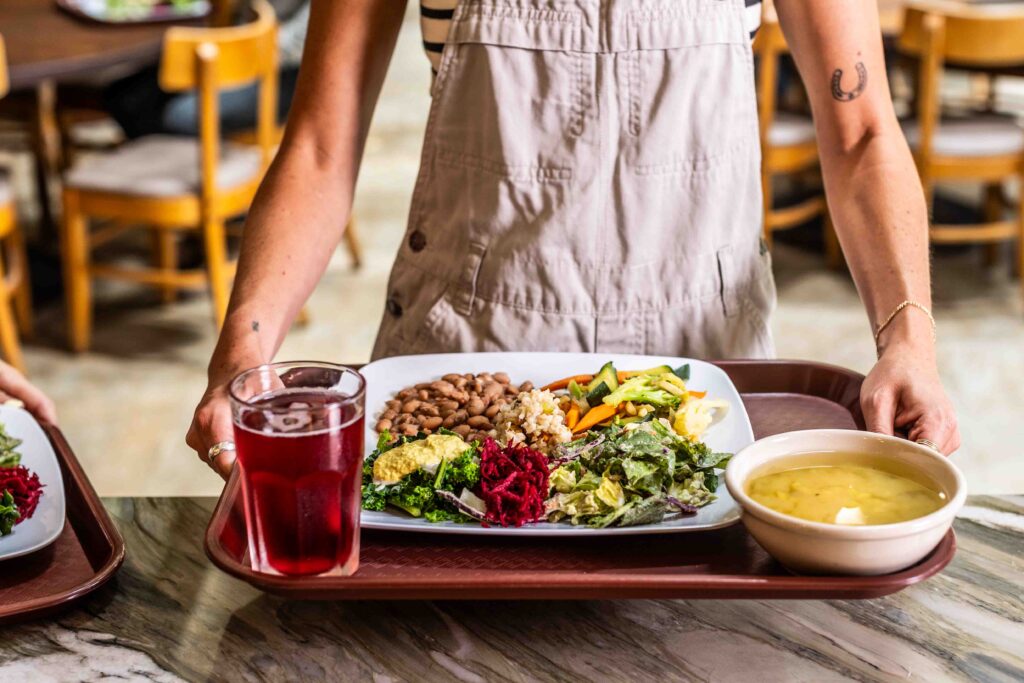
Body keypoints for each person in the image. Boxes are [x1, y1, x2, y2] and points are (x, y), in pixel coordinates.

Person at [188, 0, 960, 477]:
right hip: (467, 372)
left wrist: (909, 341)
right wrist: (243, 353)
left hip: (700, 375)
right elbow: (321, 146)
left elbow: (861, 134)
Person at [103, 0, 310, 138]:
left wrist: (217, 54)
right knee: (124, 96)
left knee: (177, 117)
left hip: (284, 75)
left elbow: (295, 46)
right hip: (227, 50)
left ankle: (207, 176)